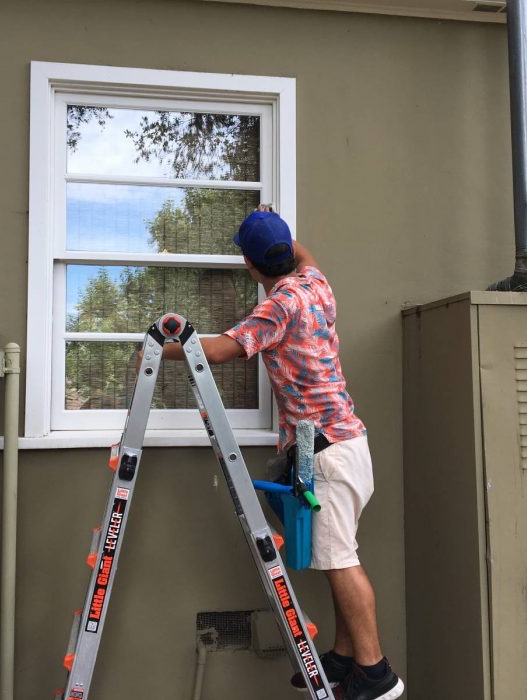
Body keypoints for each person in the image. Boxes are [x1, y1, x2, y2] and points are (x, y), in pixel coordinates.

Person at [160, 206, 404, 700]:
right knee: (339, 556)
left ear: (250, 266)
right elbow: (304, 255)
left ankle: (377, 674)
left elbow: (226, 349)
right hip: (345, 445)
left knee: (341, 563)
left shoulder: (278, 307)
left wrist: (160, 347)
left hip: (330, 455)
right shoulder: (316, 284)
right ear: (287, 253)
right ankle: (345, 657)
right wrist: (277, 229)